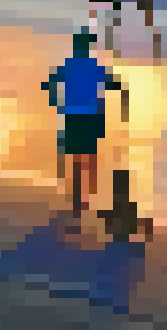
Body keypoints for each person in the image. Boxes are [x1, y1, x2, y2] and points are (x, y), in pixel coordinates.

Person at [43, 30, 126, 213]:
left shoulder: (71, 65)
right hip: (88, 118)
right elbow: (112, 83)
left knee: (78, 157)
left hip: (74, 117)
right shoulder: (91, 66)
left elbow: (50, 82)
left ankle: (78, 194)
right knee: (87, 157)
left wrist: (56, 102)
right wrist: (120, 90)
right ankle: (84, 194)